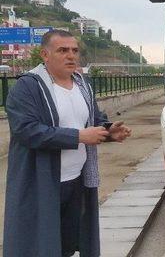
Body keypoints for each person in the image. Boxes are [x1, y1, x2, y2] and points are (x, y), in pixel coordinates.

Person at [3, 30, 132, 257]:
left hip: (77, 181)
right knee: (40, 244)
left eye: (74, 50)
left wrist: (110, 131)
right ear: (45, 54)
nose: (71, 56)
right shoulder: (28, 86)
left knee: (68, 242)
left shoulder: (82, 84)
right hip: (43, 182)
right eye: (62, 50)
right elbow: (27, 131)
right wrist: (78, 137)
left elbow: (93, 120)